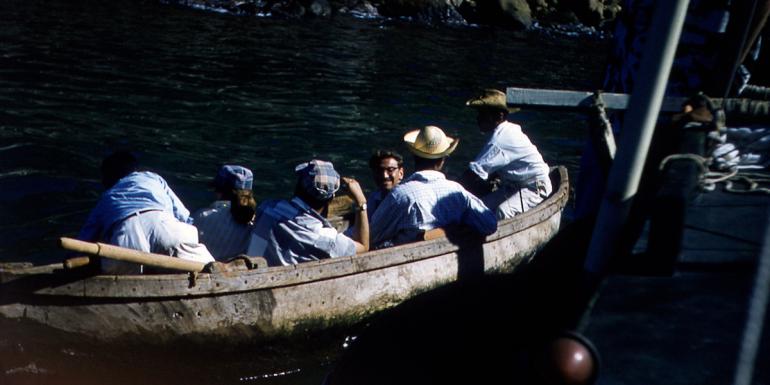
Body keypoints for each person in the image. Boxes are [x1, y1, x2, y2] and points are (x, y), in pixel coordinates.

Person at [78, 151, 214, 274]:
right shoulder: (152, 178)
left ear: (109, 177)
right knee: (209, 269)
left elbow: (85, 239)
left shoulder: (107, 197)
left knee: (121, 278)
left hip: (127, 238)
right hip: (167, 227)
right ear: (135, 170)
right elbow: (183, 216)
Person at [369, 125, 497, 249]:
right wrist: (450, 229)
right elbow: (490, 224)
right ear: (442, 161)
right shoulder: (457, 191)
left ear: (414, 156)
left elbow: (372, 235)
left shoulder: (400, 195)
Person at [247, 160, 369, 266]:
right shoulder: (324, 236)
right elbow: (363, 247)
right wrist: (361, 203)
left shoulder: (267, 207)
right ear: (330, 199)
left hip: (256, 272)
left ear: (298, 186)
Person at [461, 88, 552, 219]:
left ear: (499, 116)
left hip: (534, 187)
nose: (478, 118)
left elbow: (473, 173)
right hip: (513, 185)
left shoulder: (500, 140)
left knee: (503, 212)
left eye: (483, 114)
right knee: (479, 208)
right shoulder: (505, 130)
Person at [192, 165, 257, 261]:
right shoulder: (254, 225)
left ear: (218, 191)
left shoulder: (200, 217)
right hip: (237, 272)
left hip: (203, 272)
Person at [366, 150, 405, 218]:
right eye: (379, 170)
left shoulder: (405, 200)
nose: (384, 175)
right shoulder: (374, 198)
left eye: (390, 170)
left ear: (401, 173)